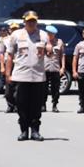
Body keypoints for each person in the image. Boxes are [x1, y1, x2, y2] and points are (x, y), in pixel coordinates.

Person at [7, 11, 52, 141]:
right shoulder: (16, 35)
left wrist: (49, 49)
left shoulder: (43, 35)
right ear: (24, 21)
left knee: (36, 105)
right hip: (21, 76)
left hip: (38, 77)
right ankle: (24, 131)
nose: (31, 23)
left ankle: (35, 131)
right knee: (21, 104)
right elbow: (10, 55)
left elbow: (49, 51)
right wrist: (7, 73)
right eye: (29, 21)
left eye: (34, 21)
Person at [44, 25, 66, 113]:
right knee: (43, 88)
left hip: (55, 68)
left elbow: (62, 55)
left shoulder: (59, 42)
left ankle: (54, 105)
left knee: (55, 88)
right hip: (44, 68)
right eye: (48, 33)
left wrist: (63, 67)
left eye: (51, 34)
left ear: (54, 34)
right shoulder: (43, 42)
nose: (50, 35)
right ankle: (43, 105)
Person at [2, 22, 20, 113]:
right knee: (9, 87)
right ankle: (10, 105)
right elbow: (1, 53)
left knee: (18, 87)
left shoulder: (22, 39)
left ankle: (17, 106)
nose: (14, 31)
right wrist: (2, 66)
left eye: (16, 29)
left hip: (18, 64)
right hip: (9, 64)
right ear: (9, 30)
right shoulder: (5, 40)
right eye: (13, 29)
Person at [0, 24, 11, 108]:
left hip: (8, 60)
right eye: (1, 31)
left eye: (4, 31)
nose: (2, 32)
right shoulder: (0, 39)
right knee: (2, 77)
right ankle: (1, 91)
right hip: (2, 60)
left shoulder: (9, 38)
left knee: (4, 77)